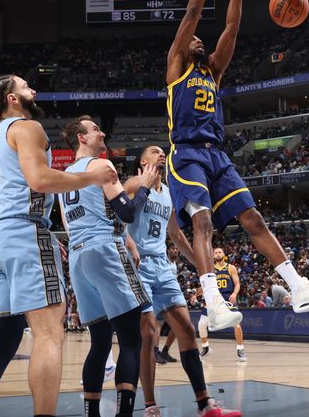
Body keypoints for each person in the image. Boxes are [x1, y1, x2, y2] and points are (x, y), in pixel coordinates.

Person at [166, 0, 309, 332]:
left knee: (253, 217)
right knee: (203, 221)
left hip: (218, 156)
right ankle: (212, 304)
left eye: (199, 42)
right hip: (188, 154)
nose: (198, 41)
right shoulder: (177, 65)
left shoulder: (213, 71)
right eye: (193, 40)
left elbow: (231, 28)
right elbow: (193, 14)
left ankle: (298, 288)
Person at [0, 75, 116, 417]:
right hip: (21, 234)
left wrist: (37, 234)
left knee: (3, 343)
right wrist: (93, 177)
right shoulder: (28, 128)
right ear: (12, 99)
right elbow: (40, 180)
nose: (33, 91)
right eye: (26, 86)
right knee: (48, 335)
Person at [125, 145, 241, 417]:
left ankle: (204, 403)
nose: (161, 154)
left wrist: (201, 266)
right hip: (136, 265)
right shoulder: (132, 184)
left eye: (162, 151)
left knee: (186, 330)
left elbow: (176, 235)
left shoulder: (169, 194)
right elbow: (119, 217)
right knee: (148, 334)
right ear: (142, 161)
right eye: (154, 152)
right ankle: (151, 406)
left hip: (162, 267)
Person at [60, 115, 156, 417]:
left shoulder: (64, 175)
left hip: (78, 257)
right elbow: (127, 213)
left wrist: (125, 239)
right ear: (81, 137)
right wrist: (145, 188)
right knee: (131, 340)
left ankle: (92, 414)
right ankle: (124, 413)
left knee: (99, 342)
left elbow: (70, 224)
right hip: (104, 249)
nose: (102, 133)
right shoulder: (102, 167)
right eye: (95, 130)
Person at [198, 248, 247, 361]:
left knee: (237, 323)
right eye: (215, 252)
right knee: (201, 324)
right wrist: (196, 294)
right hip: (213, 298)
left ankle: (240, 349)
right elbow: (203, 286)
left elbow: (237, 284)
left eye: (220, 252)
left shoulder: (230, 268)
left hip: (227, 298)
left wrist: (234, 294)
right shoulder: (210, 270)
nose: (218, 254)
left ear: (224, 254)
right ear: (213, 256)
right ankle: (206, 348)